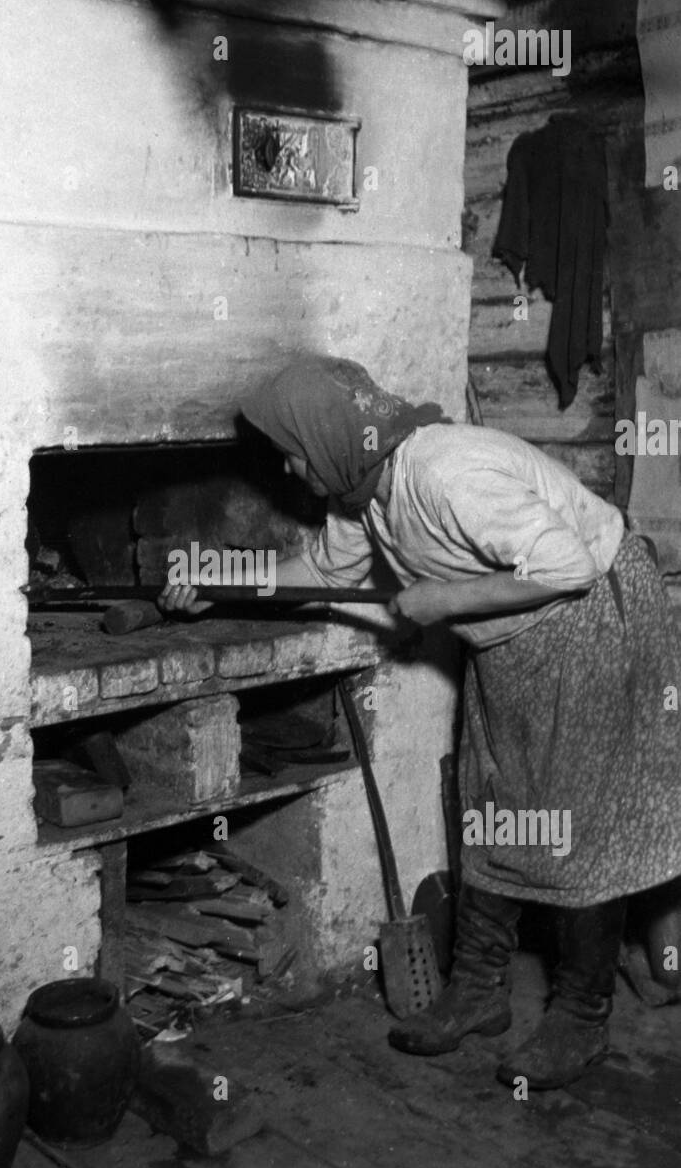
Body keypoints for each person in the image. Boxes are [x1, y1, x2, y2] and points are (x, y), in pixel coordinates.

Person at [159, 354, 681, 1090]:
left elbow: (570, 566)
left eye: (290, 450)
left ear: (331, 437)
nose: (284, 468)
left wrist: (442, 601)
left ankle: (581, 1018)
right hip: (514, 640)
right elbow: (324, 574)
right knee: (490, 803)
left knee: (580, 825)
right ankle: (478, 990)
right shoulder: (362, 492)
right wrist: (219, 582)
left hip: (590, 621)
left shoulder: (444, 473)